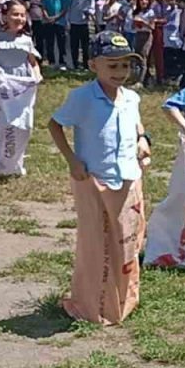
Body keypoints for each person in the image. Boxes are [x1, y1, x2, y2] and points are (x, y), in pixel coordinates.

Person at [49, 31, 151, 325]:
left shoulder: (131, 98)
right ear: (94, 65)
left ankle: (124, 299)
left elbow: (136, 124)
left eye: (125, 66)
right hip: (94, 179)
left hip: (128, 178)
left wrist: (142, 139)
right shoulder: (82, 98)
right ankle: (92, 304)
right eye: (113, 65)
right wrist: (72, 160)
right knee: (97, 245)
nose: (120, 73)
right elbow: (55, 125)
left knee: (126, 241)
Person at [0, 1, 42, 176]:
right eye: (15, 14)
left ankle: (15, 161)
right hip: (2, 87)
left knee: (22, 124)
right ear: (5, 16)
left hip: (21, 88)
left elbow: (33, 62)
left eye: (23, 15)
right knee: (4, 124)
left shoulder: (26, 41)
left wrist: (37, 75)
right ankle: (4, 162)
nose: (20, 18)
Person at [42, 0, 69, 68]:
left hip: (60, 22)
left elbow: (64, 9)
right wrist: (48, 17)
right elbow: (44, 7)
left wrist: (56, 17)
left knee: (61, 42)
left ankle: (62, 61)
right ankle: (51, 61)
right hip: (48, 22)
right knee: (49, 42)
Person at [67, 0, 95, 69]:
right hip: (74, 23)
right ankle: (75, 64)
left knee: (85, 46)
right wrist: (67, 21)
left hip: (84, 24)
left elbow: (92, 8)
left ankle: (86, 65)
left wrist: (88, 12)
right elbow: (67, 9)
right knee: (74, 46)